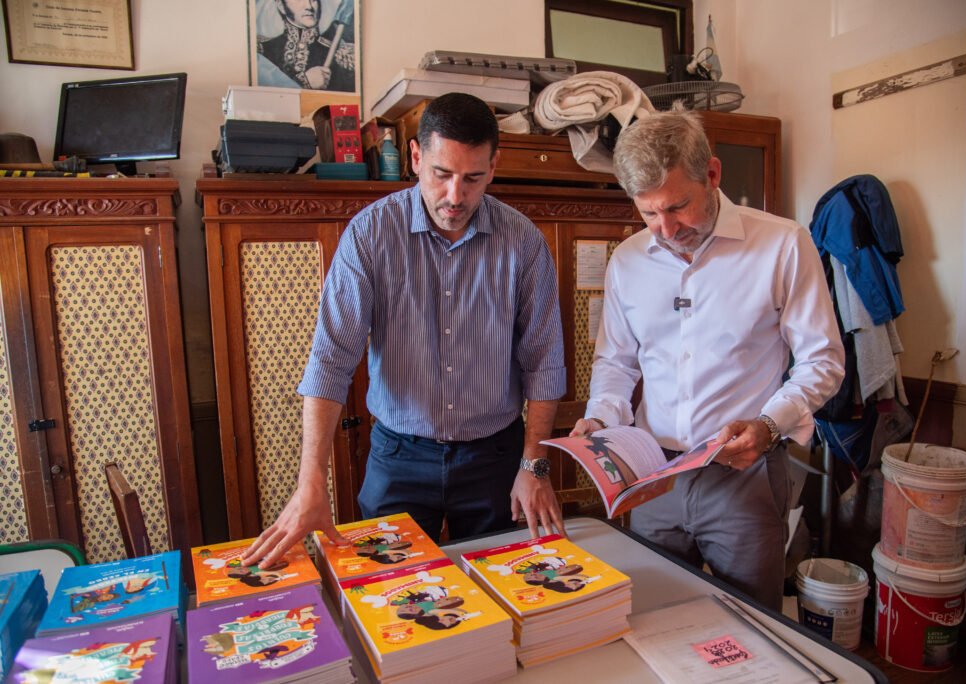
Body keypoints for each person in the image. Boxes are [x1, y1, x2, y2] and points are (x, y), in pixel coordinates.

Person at [244, 93, 567, 569]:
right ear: (415, 157)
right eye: (441, 174)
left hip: (495, 456)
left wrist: (533, 465)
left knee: (503, 587)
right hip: (399, 455)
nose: (455, 196)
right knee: (391, 591)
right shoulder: (370, 235)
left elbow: (543, 362)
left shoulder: (523, 242)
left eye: (472, 178)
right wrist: (311, 480)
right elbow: (331, 360)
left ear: (493, 167)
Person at [571, 109, 843, 611]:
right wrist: (601, 419)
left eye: (678, 206)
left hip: (744, 474)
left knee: (753, 619)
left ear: (712, 174)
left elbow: (822, 360)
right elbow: (616, 363)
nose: (666, 229)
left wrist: (769, 424)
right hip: (654, 476)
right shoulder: (628, 260)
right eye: (649, 213)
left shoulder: (782, 245)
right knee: (653, 611)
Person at [257, 0, 355, 92]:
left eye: (313, 0)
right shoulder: (263, 51)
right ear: (281, 6)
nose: (309, 6)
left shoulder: (340, 54)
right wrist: (304, 82)